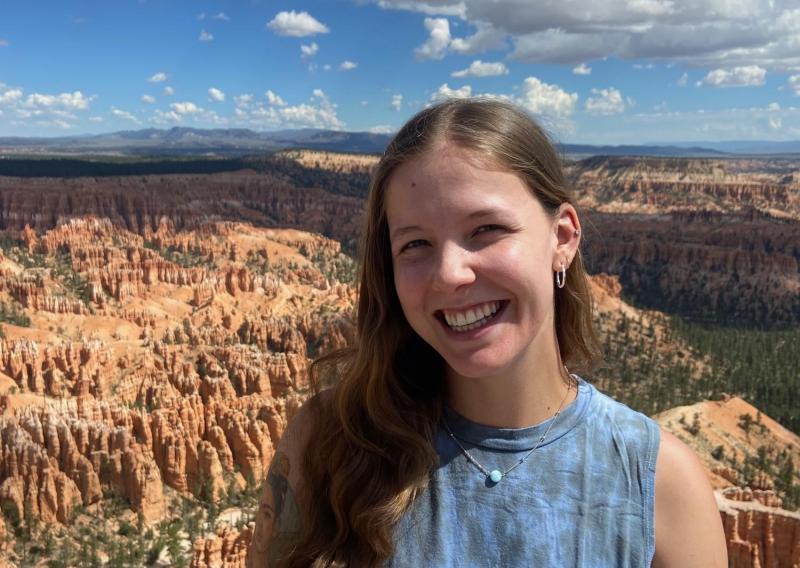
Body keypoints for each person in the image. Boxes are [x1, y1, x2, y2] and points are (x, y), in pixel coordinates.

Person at [246, 98, 728, 567]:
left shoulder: (660, 483)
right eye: (415, 244)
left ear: (562, 238)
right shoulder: (328, 442)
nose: (450, 273)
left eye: (486, 229)